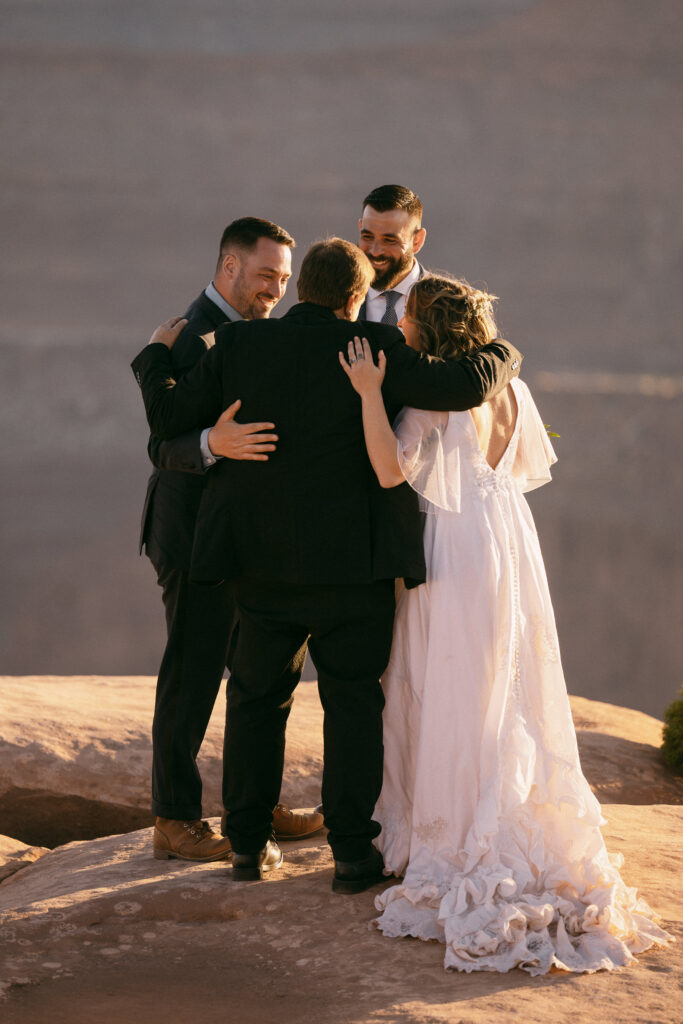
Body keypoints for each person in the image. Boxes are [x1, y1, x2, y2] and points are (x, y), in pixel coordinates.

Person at [131, 238, 523, 890]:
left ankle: (247, 848)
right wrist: (506, 349)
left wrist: (152, 357)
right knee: (351, 707)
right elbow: (462, 385)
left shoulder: (237, 346)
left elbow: (167, 413)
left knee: (256, 701)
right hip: (353, 571)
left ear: (301, 287)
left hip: (258, 568)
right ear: (353, 297)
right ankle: (350, 855)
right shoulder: (374, 350)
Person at [340, 274, 673, 971]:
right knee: (507, 683)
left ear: (426, 332)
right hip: (507, 540)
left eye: (407, 323)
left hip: (454, 544)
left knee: (452, 680)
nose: (397, 330)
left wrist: (371, 394)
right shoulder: (513, 390)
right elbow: (521, 470)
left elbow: (388, 471)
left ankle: (455, 831)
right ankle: (510, 810)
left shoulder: (433, 399)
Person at [140, 216, 323, 863]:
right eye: (264, 274)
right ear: (227, 269)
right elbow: (161, 442)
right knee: (192, 673)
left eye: (282, 277)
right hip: (192, 539)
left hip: (239, 539)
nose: (275, 288)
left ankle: (253, 802)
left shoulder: (251, 332)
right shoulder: (191, 338)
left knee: (254, 675)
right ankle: (175, 819)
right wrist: (211, 445)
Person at [357, 184, 426, 325]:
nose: (375, 251)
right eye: (368, 237)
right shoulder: (333, 302)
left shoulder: (455, 307)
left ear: (417, 241)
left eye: (389, 240)